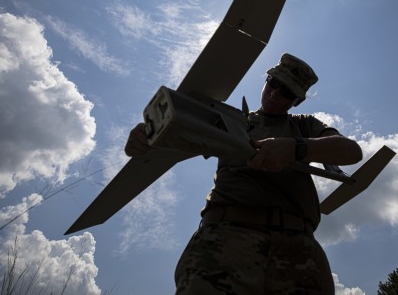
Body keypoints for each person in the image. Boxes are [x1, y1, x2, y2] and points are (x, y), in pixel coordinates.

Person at [125, 53, 362, 294]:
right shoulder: (229, 121)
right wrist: (148, 136)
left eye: (287, 93)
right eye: (273, 83)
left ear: (297, 102)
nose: (275, 93)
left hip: (298, 253)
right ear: (266, 80)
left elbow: (350, 151)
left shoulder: (303, 125)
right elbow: (179, 131)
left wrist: (295, 148)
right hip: (226, 242)